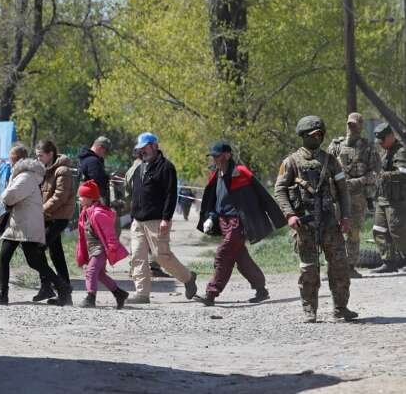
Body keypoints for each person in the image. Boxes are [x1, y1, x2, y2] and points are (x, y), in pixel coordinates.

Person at [274, 115, 358, 323]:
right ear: (303, 136)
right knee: (309, 268)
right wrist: (290, 214)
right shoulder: (291, 162)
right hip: (305, 224)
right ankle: (309, 310)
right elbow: (280, 189)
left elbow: (343, 191)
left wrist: (346, 216)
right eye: (313, 135)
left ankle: (341, 308)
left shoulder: (331, 161)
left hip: (330, 222)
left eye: (321, 134)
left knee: (339, 265)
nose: (318, 137)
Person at [194, 142, 285, 306]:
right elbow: (216, 201)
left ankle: (211, 293)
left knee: (224, 253)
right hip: (223, 221)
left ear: (227, 155)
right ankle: (261, 289)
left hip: (238, 222)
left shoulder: (240, 172)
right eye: (213, 156)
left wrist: (276, 215)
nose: (214, 158)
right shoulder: (216, 174)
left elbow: (261, 193)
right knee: (240, 257)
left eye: (217, 155)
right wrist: (211, 217)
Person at [0, 145, 71, 306]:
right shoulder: (26, 175)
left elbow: (9, 196)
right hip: (22, 222)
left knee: (7, 258)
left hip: (23, 223)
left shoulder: (25, 177)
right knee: (33, 260)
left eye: (11, 160)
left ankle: (3, 293)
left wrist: (4, 196)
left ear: (16, 160)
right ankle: (62, 287)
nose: (9, 163)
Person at [126, 132, 197, 304]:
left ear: (154, 146)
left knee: (161, 256)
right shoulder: (139, 167)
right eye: (140, 149)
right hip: (138, 221)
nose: (142, 152)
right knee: (137, 256)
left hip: (156, 220)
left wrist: (166, 218)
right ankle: (142, 294)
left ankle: (188, 278)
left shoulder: (166, 167)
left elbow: (170, 195)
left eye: (145, 148)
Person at [328, 112, 380, 278]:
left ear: (360, 126)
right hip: (337, 197)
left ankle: (350, 266)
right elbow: (326, 168)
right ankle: (334, 266)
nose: (351, 128)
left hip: (358, 196)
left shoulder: (368, 148)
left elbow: (375, 174)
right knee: (334, 231)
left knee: (354, 232)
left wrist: (358, 182)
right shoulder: (336, 145)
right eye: (349, 124)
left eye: (355, 125)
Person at [76, 180, 129, 309]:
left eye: (81, 196)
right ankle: (119, 293)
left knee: (91, 271)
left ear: (90, 198)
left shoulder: (98, 213)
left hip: (101, 249)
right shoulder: (85, 212)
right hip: (92, 249)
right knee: (99, 274)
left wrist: (112, 247)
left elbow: (109, 233)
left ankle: (90, 297)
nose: (79, 199)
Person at [34, 140, 75, 305]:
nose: (38, 159)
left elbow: (60, 196)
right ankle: (63, 293)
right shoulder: (45, 170)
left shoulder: (62, 170)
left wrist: (41, 210)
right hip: (49, 216)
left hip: (58, 217)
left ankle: (53, 287)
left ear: (50, 154)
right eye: (36, 156)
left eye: (40, 155)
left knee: (37, 250)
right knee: (56, 254)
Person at [370, 122, 406, 273]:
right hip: (383, 198)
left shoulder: (401, 151)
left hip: (396, 199)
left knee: (397, 230)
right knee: (379, 229)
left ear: (391, 136)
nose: (380, 143)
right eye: (378, 140)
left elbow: (403, 172)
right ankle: (388, 262)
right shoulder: (387, 152)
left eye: (382, 140)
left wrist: (382, 175)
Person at [78, 136, 111, 205]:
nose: (105, 154)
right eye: (105, 151)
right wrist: (107, 178)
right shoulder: (93, 161)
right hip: (92, 202)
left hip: (85, 199)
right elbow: (97, 182)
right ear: (100, 147)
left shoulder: (85, 158)